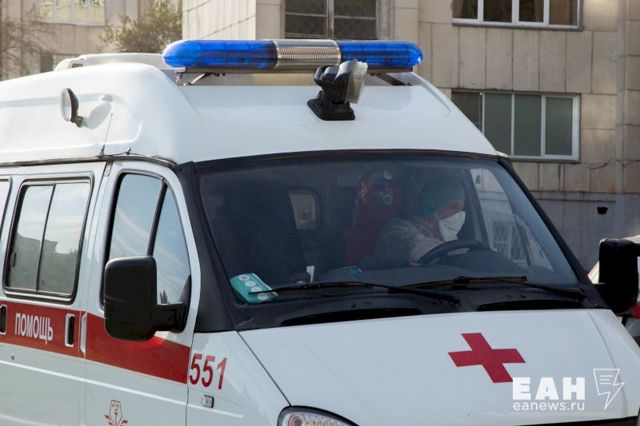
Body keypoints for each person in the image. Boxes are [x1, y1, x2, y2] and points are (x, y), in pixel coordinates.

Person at [375, 178, 466, 267]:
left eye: (461, 209)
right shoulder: (397, 230)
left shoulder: (445, 235)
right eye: (454, 207)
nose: (459, 214)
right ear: (431, 205)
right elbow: (427, 252)